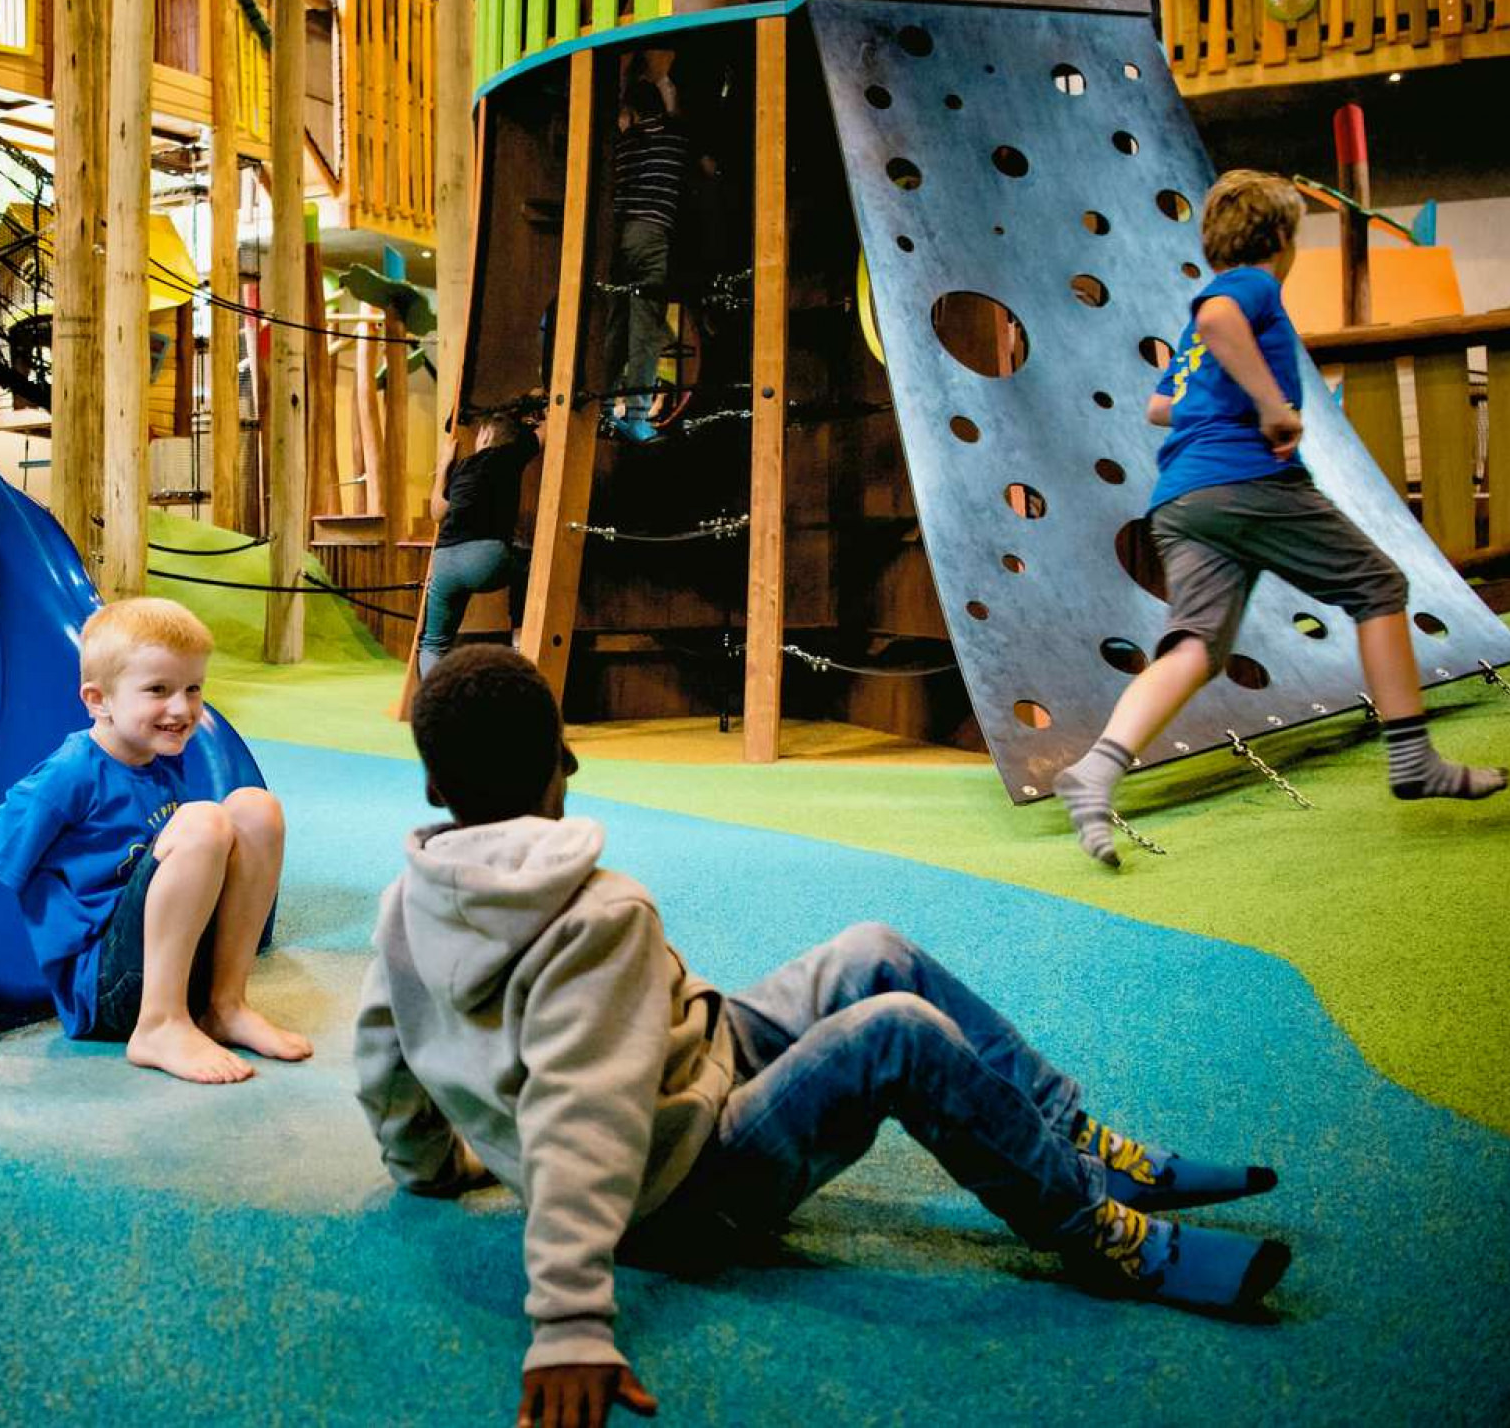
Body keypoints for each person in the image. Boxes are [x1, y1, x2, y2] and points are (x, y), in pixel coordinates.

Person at [357, 646, 1289, 1428]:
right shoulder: (601, 912)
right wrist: (567, 1320)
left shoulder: (406, 901)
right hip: (680, 1189)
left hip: (695, 1068)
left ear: (436, 784)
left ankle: (1067, 1136)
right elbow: (582, 1115)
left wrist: (428, 1166)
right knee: (899, 1034)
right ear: (562, 763)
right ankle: (1089, 1228)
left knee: (872, 950)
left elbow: (382, 1060)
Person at [1053, 170, 1508, 867]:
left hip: (1182, 499)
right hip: (1250, 482)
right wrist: (1270, 403)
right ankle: (1413, 758)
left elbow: (1159, 405)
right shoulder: (1251, 288)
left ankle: (1096, 770)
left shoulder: (1199, 331)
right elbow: (1218, 319)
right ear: (1283, 239)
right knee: (1378, 586)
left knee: (1198, 648)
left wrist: (1227, 396)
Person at [0, 596, 311, 1084]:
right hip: (107, 988)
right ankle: (159, 1026)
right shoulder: (72, 773)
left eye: (193, 688)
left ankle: (225, 1005)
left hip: (171, 961)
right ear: (99, 700)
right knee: (203, 822)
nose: (181, 708)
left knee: (256, 809)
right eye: (158, 689)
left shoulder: (158, 752)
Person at [603, 75, 708, 443]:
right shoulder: (675, 135)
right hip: (651, 234)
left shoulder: (624, 143)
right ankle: (635, 417)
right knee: (644, 331)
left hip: (617, 237)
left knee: (614, 327)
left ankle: (601, 408)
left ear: (630, 110)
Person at [418, 409, 542, 677]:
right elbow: (547, 432)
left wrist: (442, 468)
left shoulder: (462, 466)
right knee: (533, 566)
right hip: (486, 559)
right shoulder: (512, 454)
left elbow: (438, 512)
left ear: (485, 434)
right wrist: (538, 413)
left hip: (445, 561)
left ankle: (434, 706)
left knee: (433, 642)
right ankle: (520, 638)